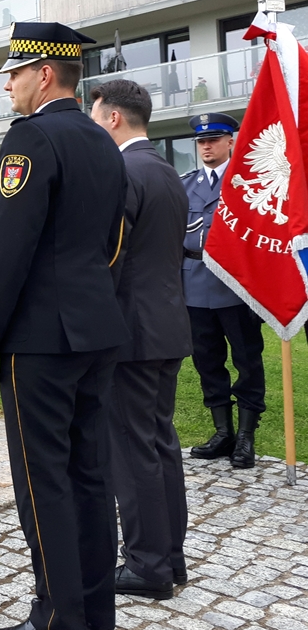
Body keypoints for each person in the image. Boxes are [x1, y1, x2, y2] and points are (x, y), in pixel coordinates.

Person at [0, 23, 128, 630]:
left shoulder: (30, 139)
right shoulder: (100, 139)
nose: (7, 82)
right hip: (95, 327)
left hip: (40, 337)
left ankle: (58, 619)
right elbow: (114, 242)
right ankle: (94, 614)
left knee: (43, 485)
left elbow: (8, 250)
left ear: (44, 74)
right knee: (91, 476)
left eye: (14, 71)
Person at [90, 80, 190, 600]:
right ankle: (170, 556)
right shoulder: (167, 171)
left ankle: (148, 564)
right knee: (160, 444)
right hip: (168, 325)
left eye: (95, 115)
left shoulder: (125, 171)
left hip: (131, 331)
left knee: (132, 453)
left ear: (113, 119)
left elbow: (113, 257)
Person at [182, 112, 265, 469]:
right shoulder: (184, 185)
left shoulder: (248, 184)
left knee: (247, 360)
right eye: (201, 141)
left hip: (236, 286)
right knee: (207, 360)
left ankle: (246, 436)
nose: (206, 146)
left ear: (231, 141)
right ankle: (223, 433)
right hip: (194, 285)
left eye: (214, 139)